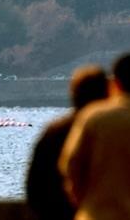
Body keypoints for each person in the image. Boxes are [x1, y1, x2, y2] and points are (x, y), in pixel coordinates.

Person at [59, 53, 130, 220]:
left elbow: (71, 164)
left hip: (94, 215)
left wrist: (83, 202)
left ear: (115, 82)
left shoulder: (93, 117)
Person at [26, 65, 109, 220]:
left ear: (73, 94)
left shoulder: (55, 132)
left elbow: (35, 187)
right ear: (107, 95)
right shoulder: (115, 132)